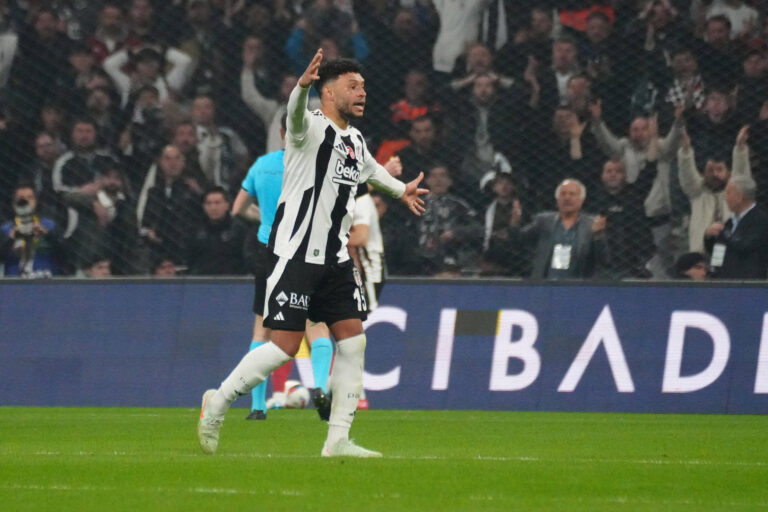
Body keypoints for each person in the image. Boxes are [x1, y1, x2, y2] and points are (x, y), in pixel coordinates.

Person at [198, 51, 427, 458]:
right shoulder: (309, 129)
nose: (362, 93)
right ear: (328, 90)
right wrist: (300, 89)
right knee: (284, 346)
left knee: (354, 342)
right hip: (295, 255)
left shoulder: (355, 140)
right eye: (353, 86)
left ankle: (337, 440)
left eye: (363, 87)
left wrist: (401, 188)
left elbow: (373, 172)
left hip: (335, 260)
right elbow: (296, 116)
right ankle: (217, 403)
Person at [512, 178, 608, 279]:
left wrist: (598, 236)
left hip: (579, 286)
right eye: (563, 194)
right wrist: (514, 223)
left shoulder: (591, 224)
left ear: (581, 199)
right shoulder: (544, 221)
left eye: (572, 194)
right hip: (545, 285)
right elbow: (519, 240)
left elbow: (603, 259)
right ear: (557, 199)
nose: (567, 198)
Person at [678, 126, 751, 253]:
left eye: (719, 169)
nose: (715, 174)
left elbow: (741, 176)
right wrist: (685, 152)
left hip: (732, 253)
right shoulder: (698, 193)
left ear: (729, 173)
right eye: (710, 170)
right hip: (701, 254)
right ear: (703, 173)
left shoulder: (735, 193)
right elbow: (687, 175)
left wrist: (740, 149)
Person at [704, 175, 768, 279]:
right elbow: (719, 249)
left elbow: (744, 245)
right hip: (725, 283)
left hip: (748, 285)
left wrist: (725, 233)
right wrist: (709, 236)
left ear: (740, 196)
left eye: (728, 193)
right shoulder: (730, 223)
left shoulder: (760, 220)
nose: (725, 197)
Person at [1, 184, 62, 278]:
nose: (26, 201)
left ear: (36, 202)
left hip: (46, 281)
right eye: (21, 198)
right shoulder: (5, 229)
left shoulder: (50, 226)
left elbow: (64, 255)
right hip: (14, 284)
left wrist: (47, 235)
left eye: (30, 198)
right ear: (14, 204)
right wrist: (10, 240)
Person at [186, 187, 247, 276]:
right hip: (201, 280)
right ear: (203, 206)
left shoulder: (238, 229)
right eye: (209, 203)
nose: (213, 207)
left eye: (217, 203)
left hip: (232, 280)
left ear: (227, 205)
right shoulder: (195, 229)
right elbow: (190, 258)